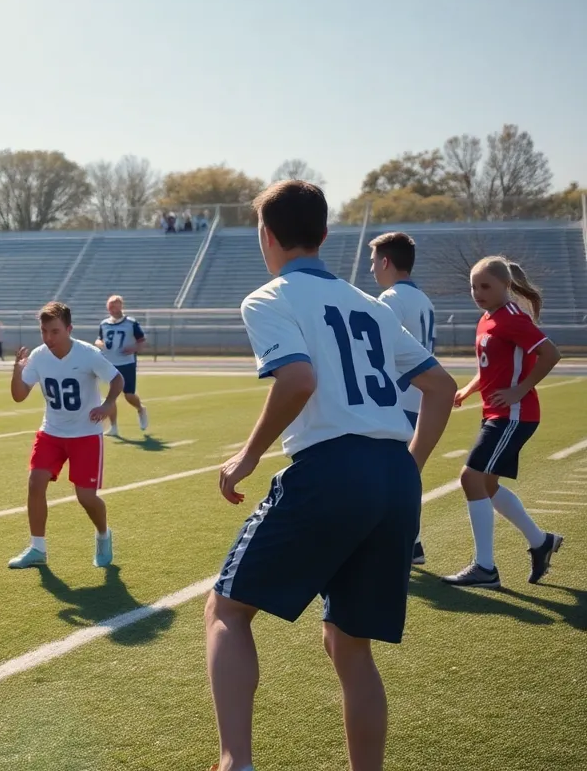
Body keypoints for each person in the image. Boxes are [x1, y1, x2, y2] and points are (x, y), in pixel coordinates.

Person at [206, 181, 456, 771]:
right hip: (393, 473)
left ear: (266, 235)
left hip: (332, 467)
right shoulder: (371, 303)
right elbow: (441, 389)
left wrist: (246, 456)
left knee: (227, 610)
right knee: (349, 643)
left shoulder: (269, 297)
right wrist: (410, 466)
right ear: (324, 235)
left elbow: (297, 381)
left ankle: (233, 762)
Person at [440, 256, 563, 589]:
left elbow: (551, 354)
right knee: (488, 486)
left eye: (485, 286)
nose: (477, 292)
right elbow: (489, 367)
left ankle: (485, 568)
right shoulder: (487, 317)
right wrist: (467, 390)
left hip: (515, 415)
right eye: (473, 286)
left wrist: (520, 390)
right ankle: (541, 542)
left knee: (470, 478)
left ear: (505, 286)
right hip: (496, 414)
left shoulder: (511, 318)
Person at [7, 301, 124, 569]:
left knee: (86, 497)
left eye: (55, 331)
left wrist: (107, 404)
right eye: (44, 331)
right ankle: (37, 548)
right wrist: (16, 371)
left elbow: (117, 379)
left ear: (69, 329)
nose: (48, 338)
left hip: (85, 434)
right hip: (52, 431)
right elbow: (18, 396)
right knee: (35, 482)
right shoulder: (38, 356)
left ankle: (103, 534)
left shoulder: (88, 354)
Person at [369, 231, 437, 565]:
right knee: (403, 472)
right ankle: (413, 541)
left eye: (373, 262)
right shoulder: (423, 299)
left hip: (397, 396)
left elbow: (380, 351)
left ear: (386, 261)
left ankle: (404, 540)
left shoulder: (390, 299)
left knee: (386, 472)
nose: (371, 270)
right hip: (418, 396)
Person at [95, 294, 148, 437]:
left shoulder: (131, 323)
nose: (112, 308)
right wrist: (100, 344)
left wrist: (134, 348)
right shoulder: (104, 323)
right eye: (110, 306)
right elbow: (99, 339)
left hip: (127, 363)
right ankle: (114, 427)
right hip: (110, 363)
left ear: (121, 306)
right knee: (111, 396)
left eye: (114, 305)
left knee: (129, 395)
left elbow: (142, 341)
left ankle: (140, 408)